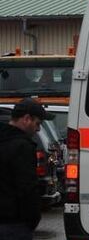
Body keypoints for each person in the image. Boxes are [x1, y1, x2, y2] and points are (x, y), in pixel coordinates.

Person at [0, 98, 53, 240]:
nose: (38, 129)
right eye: (38, 123)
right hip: (14, 224)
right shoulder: (22, 147)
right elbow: (27, 188)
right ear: (26, 119)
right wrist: (32, 218)